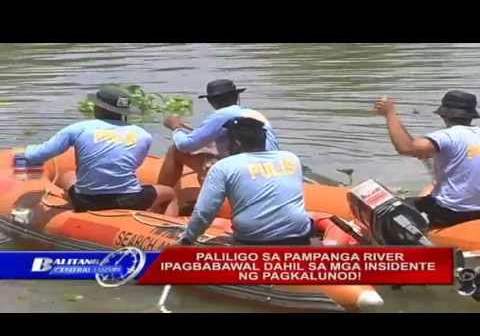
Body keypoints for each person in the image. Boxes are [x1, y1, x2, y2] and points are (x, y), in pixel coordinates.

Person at [18, 86, 178, 215]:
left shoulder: (79, 128)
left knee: (67, 176)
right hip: (131, 199)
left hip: (87, 200)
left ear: (98, 108)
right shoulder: (143, 135)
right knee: (170, 193)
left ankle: (68, 206)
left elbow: (37, 155)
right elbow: (133, 165)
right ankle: (166, 231)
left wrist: (20, 154)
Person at [178, 116, 313, 245]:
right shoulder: (290, 158)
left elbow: (204, 212)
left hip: (253, 239)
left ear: (237, 143)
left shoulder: (224, 167)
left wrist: (188, 239)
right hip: (299, 235)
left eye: (227, 141)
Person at [374, 90, 480, 227]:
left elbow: (406, 148)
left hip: (452, 212)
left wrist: (390, 114)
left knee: (392, 208)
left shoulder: (447, 136)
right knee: (432, 186)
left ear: (443, 115)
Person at [159, 79, 280, 187]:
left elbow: (185, 145)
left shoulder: (221, 115)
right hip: (271, 169)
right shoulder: (254, 114)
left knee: (176, 150)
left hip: (246, 172)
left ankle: (161, 197)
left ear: (211, 101)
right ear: (236, 97)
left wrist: (175, 128)